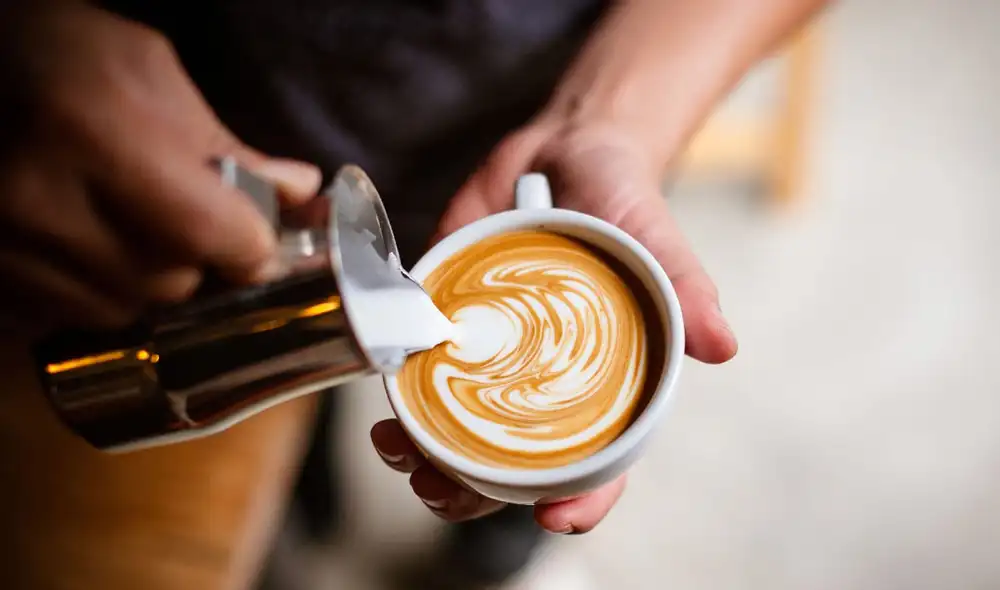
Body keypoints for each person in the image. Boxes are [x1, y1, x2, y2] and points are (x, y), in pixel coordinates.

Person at [0, 0, 828, 588]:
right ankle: (308, 509)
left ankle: (495, 553)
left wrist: (603, 120)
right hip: (216, 160)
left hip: (510, 146)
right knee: (307, 375)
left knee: (519, 497)